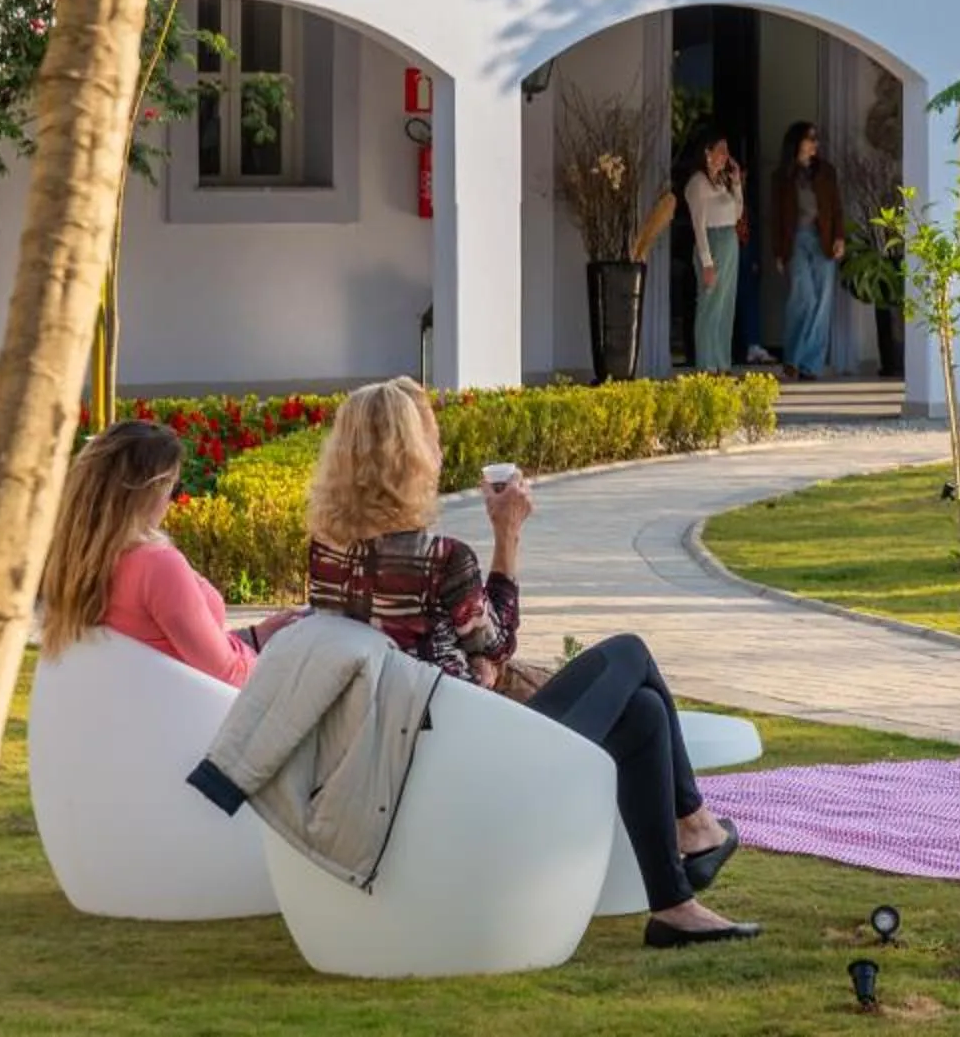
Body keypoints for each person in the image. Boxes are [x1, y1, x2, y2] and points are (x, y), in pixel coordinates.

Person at [306, 379, 758, 947]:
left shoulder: (325, 552)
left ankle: (675, 907)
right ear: (410, 457)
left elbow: (406, 644)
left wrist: (470, 667)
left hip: (406, 748)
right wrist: (507, 533)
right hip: (474, 756)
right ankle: (694, 825)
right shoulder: (443, 560)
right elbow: (497, 647)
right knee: (630, 652)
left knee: (641, 713)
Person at [40, 418, 300, 683]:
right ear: (151, 491)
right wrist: (289, 657)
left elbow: (155, 645)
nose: (172, 502)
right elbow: (228, 674)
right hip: (192, 717)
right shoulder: (156, 566)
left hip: (128, 714)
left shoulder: (72, 564)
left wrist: (253, 639)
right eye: (174, 489)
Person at [768, 120, 847, 378]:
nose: (815, 143)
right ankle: (792, 357)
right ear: (797, 143)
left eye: (816, 138)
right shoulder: (781, 177)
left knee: (822, 302)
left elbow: (836, 208)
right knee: (803, 297)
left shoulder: (826, 172)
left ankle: (810, 365)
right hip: (796, 241)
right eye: (810, 138)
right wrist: (779, 252)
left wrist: (839, 237)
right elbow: (776, 216)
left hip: (822, 239)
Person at [682, 130, 744, 375]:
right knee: (709, 303)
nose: (725, 156)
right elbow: (698, 224)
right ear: (707, 153)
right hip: (713, 242)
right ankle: (706, 364)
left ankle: (722, 363)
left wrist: (737, 184)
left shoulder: (721, 182)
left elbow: (737, 213)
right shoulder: (698, 183)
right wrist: (706, 262)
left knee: (725, 304)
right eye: (721, 150)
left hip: (730, 241)